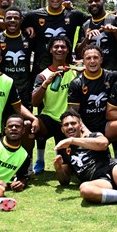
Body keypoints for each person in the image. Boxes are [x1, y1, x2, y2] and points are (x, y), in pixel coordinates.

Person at [31, 35, 79, 172]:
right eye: (56, 47)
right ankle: (36, 161)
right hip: (49, 118)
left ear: (68, 50)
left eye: (63, 47)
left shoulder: (75, 72)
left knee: (66, 168)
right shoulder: (43, 75)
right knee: (30, 127)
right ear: (50, 50)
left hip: (68, 120)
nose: (59, 49)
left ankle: (65, 158)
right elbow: (35, 102)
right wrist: (46, 83)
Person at [23, 0, 89, 72]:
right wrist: (25, 27)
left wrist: (113, 15)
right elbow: (12, 23)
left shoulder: (74, 15)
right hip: (41, 68)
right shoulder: (34, 15)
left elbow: (95, 20)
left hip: (66, 68)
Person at [67, 46, 117, 137]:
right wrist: (85, 131)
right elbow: (73, 113)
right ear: (83, 61)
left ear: (101, 60)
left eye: (95, 57)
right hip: (86, 127)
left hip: (107, 126)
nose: (92, 61)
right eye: (88, 58)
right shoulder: (76, 83)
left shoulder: (112, 76)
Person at [75, 0, 117, 72]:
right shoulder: (85, 25)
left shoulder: (115, 19)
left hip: (114, 73)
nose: (93, 3)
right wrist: (87, 38)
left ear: (104, 1)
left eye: (97, 0)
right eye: (90, 1)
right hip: (92, 75)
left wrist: (115, 31)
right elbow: (78, 54)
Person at [0, 6, 34, 108]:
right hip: (2, 88)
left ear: (21, 20)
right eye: (9, 18)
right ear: (4, 20)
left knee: (25, 122)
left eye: (16, 18)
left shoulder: (29, 37)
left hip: (24, 90)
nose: (12, 20)